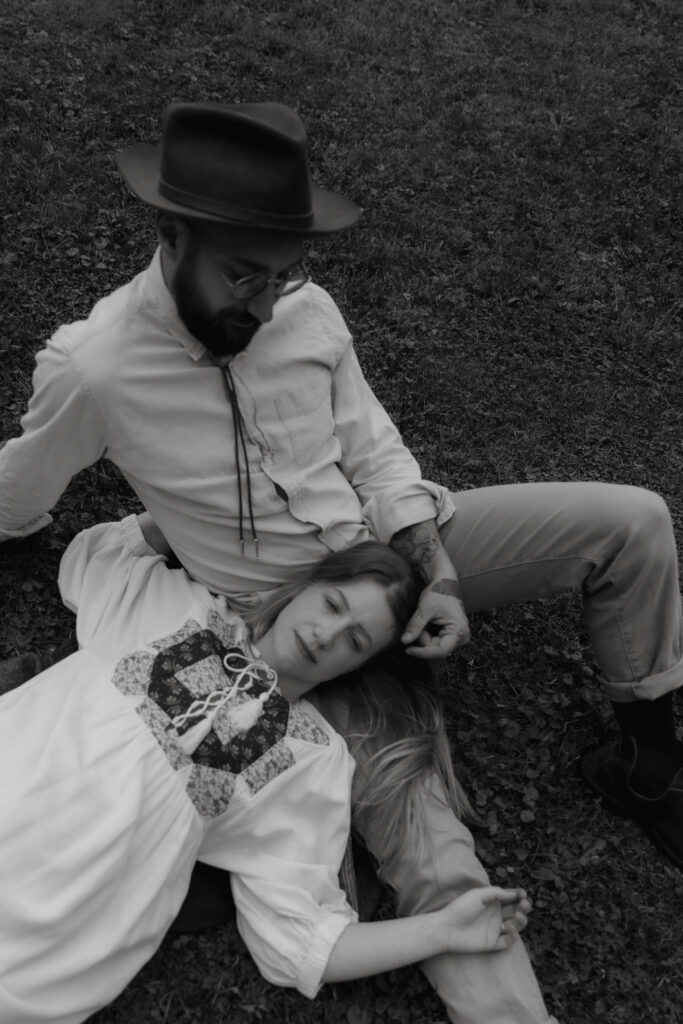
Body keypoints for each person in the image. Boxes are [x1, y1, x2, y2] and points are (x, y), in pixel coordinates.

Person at [0, 99, 680, 1021]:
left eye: (283, 274)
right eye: (244, 276)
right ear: (173, 235)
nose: (265, 303)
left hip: (386, 553)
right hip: (291, 618)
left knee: (632, 519)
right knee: (439, 860)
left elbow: (375, 454)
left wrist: (436, 573)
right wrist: (98, 529)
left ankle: (645, 758)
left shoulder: (308, 313)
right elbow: (21, 489)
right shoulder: (96, 369)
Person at [0, 515, 532, 1024]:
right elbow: (98, 554)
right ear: (306, 585)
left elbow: (301, 942)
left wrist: (442, 930)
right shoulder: (178, 604)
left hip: (65, 899)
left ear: (360, 666)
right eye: (332, 604)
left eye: (354, 641)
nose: (325, 634)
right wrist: (208, 506)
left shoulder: (313, 758)